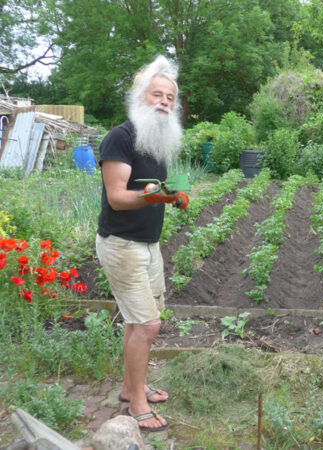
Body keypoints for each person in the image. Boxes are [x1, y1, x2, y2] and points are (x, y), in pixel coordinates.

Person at [95, 55, 189, 432]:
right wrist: (156, 198)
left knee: (139, 323)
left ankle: (129, 386)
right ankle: (136, 405)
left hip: (148, 245)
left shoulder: (157, 140)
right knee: (147, 325)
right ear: (140, 97)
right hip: (121, 244)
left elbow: (155, 190)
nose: (164, 102)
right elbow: (118, 196)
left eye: (169, 96)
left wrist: (173, 196)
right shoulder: (121, 137)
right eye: (157, 94)